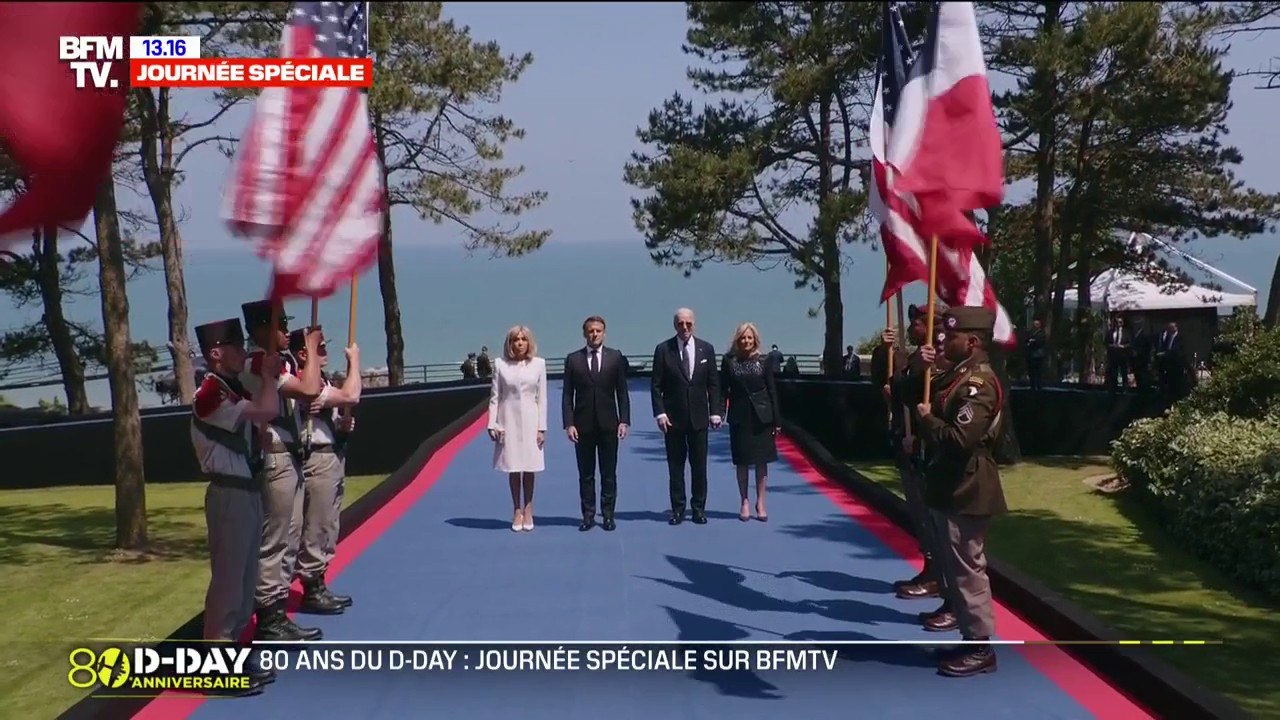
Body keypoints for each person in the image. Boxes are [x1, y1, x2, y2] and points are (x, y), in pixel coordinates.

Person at [915, 306, 1009, 677]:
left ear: (971, 342)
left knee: (969, 569)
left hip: (968, 485)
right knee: (955, 567)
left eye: (951, 336)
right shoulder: (957, 377)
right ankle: (971, 636)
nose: (943, 339)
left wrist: (926, 421)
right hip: (950, 483)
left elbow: (959, 438)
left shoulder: (978, 385)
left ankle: (981, 646)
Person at [189, 318, 281, 696]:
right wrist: (272, 379)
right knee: (228, 583)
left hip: (246, 489)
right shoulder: (210, 393)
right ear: (215, 353)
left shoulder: (230, 388)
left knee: (244, 581)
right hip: (228, 492)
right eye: (235, 345)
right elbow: (266, 412)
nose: (243, 351)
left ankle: (234, 656)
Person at [238, 299, 325, 642]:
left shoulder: (275, 361)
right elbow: (308, 388)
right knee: (275, 539)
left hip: (290, 452)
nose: (288, 332)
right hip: (274, 454)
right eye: (280, 325)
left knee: (290, 535)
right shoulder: (259, 362)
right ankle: (269, 613)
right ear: (261, 330)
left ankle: (277, 606)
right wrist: (314, 353)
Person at [288, 327, 361, 615]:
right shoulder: (303, 382)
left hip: (331, 454)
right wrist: (354, 361)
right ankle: (311, 588)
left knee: (328, 523)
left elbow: (344, 405)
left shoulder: (321, 380)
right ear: (303, 354)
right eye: (319, 348)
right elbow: (351, 395)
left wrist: (341, 428)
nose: (325, 353)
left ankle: (318, 582)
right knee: (317, 525)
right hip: (316, 459)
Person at [881, 305, 951, 604]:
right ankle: (931, 567)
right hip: (909, 444)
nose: (911, 327)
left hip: (931, 449)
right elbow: (894, 388)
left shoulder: (944, 358)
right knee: (920, 517)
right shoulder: (916, 357)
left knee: (934, 520)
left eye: (917, 323)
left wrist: (919, 436)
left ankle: (940, 579)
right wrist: (884, 352)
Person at [651, 308, 723, 525]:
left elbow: (713, 383)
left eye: (688, 323)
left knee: (699, 466)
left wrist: (716, 412)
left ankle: (699, 508)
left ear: (694, 324)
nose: (684, 327)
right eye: (680, 323)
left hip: (700, 418)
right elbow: (655, 385)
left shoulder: (706, 349)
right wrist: (660, 413)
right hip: (673, 420)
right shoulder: (663, 350)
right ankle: (678, 509)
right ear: (675, 325)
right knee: (676, 467)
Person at [562, 316, 631, 532]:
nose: (594, 334)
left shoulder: (615, 358)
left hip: (609, 424)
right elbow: (567, 395)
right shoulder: (573, 360)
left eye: (598, 331)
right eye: (591, 331)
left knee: (608, 473)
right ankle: (588, 515)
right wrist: (569, 423)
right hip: (582, 427)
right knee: (586, 474)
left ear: (604, 333)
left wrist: (624, 420)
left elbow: (622, 392)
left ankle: (608, 514)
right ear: (585, 334)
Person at [488, 325, 548, 532]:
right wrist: (492, 423)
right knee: (513, 467)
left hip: (531, 421)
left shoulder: (539, 364)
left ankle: (529, 508)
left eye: (523, 339)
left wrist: (542, 428)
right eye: (516, 339)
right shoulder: (500, 365)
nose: (520, 343)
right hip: (508, 420)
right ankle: (516, 509)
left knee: (529, 467)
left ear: (529, 342)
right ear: (510, 343)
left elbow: (542, 398)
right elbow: (495, 397)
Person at [720, 322, 779, 522]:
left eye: (749, 338)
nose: (746, 341)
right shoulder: (729, 362)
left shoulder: (764, 360)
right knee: (742, 462)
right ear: (737, 340)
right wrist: (718, 413)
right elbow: (723, 390)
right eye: (743, 338)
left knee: (762, 463)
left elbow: (772, 390)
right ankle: (744, 501)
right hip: (739, 417)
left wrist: (776, 420)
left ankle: (760, 502)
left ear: (755, 340)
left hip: (762, 417)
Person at [1023, 319, 1046, 389]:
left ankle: (1039, 385)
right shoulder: (1030, 333)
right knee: (1031, 371)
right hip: (1031, 355)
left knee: (1038, 371)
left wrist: (1033, 342)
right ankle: (1032, 385)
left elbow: (1039, 342)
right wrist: (1030, 341)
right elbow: (1026, 340)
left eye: (1037, 324)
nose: (1035, 326)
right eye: (1034, 324)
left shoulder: (1041, 333)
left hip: (1038, 355)